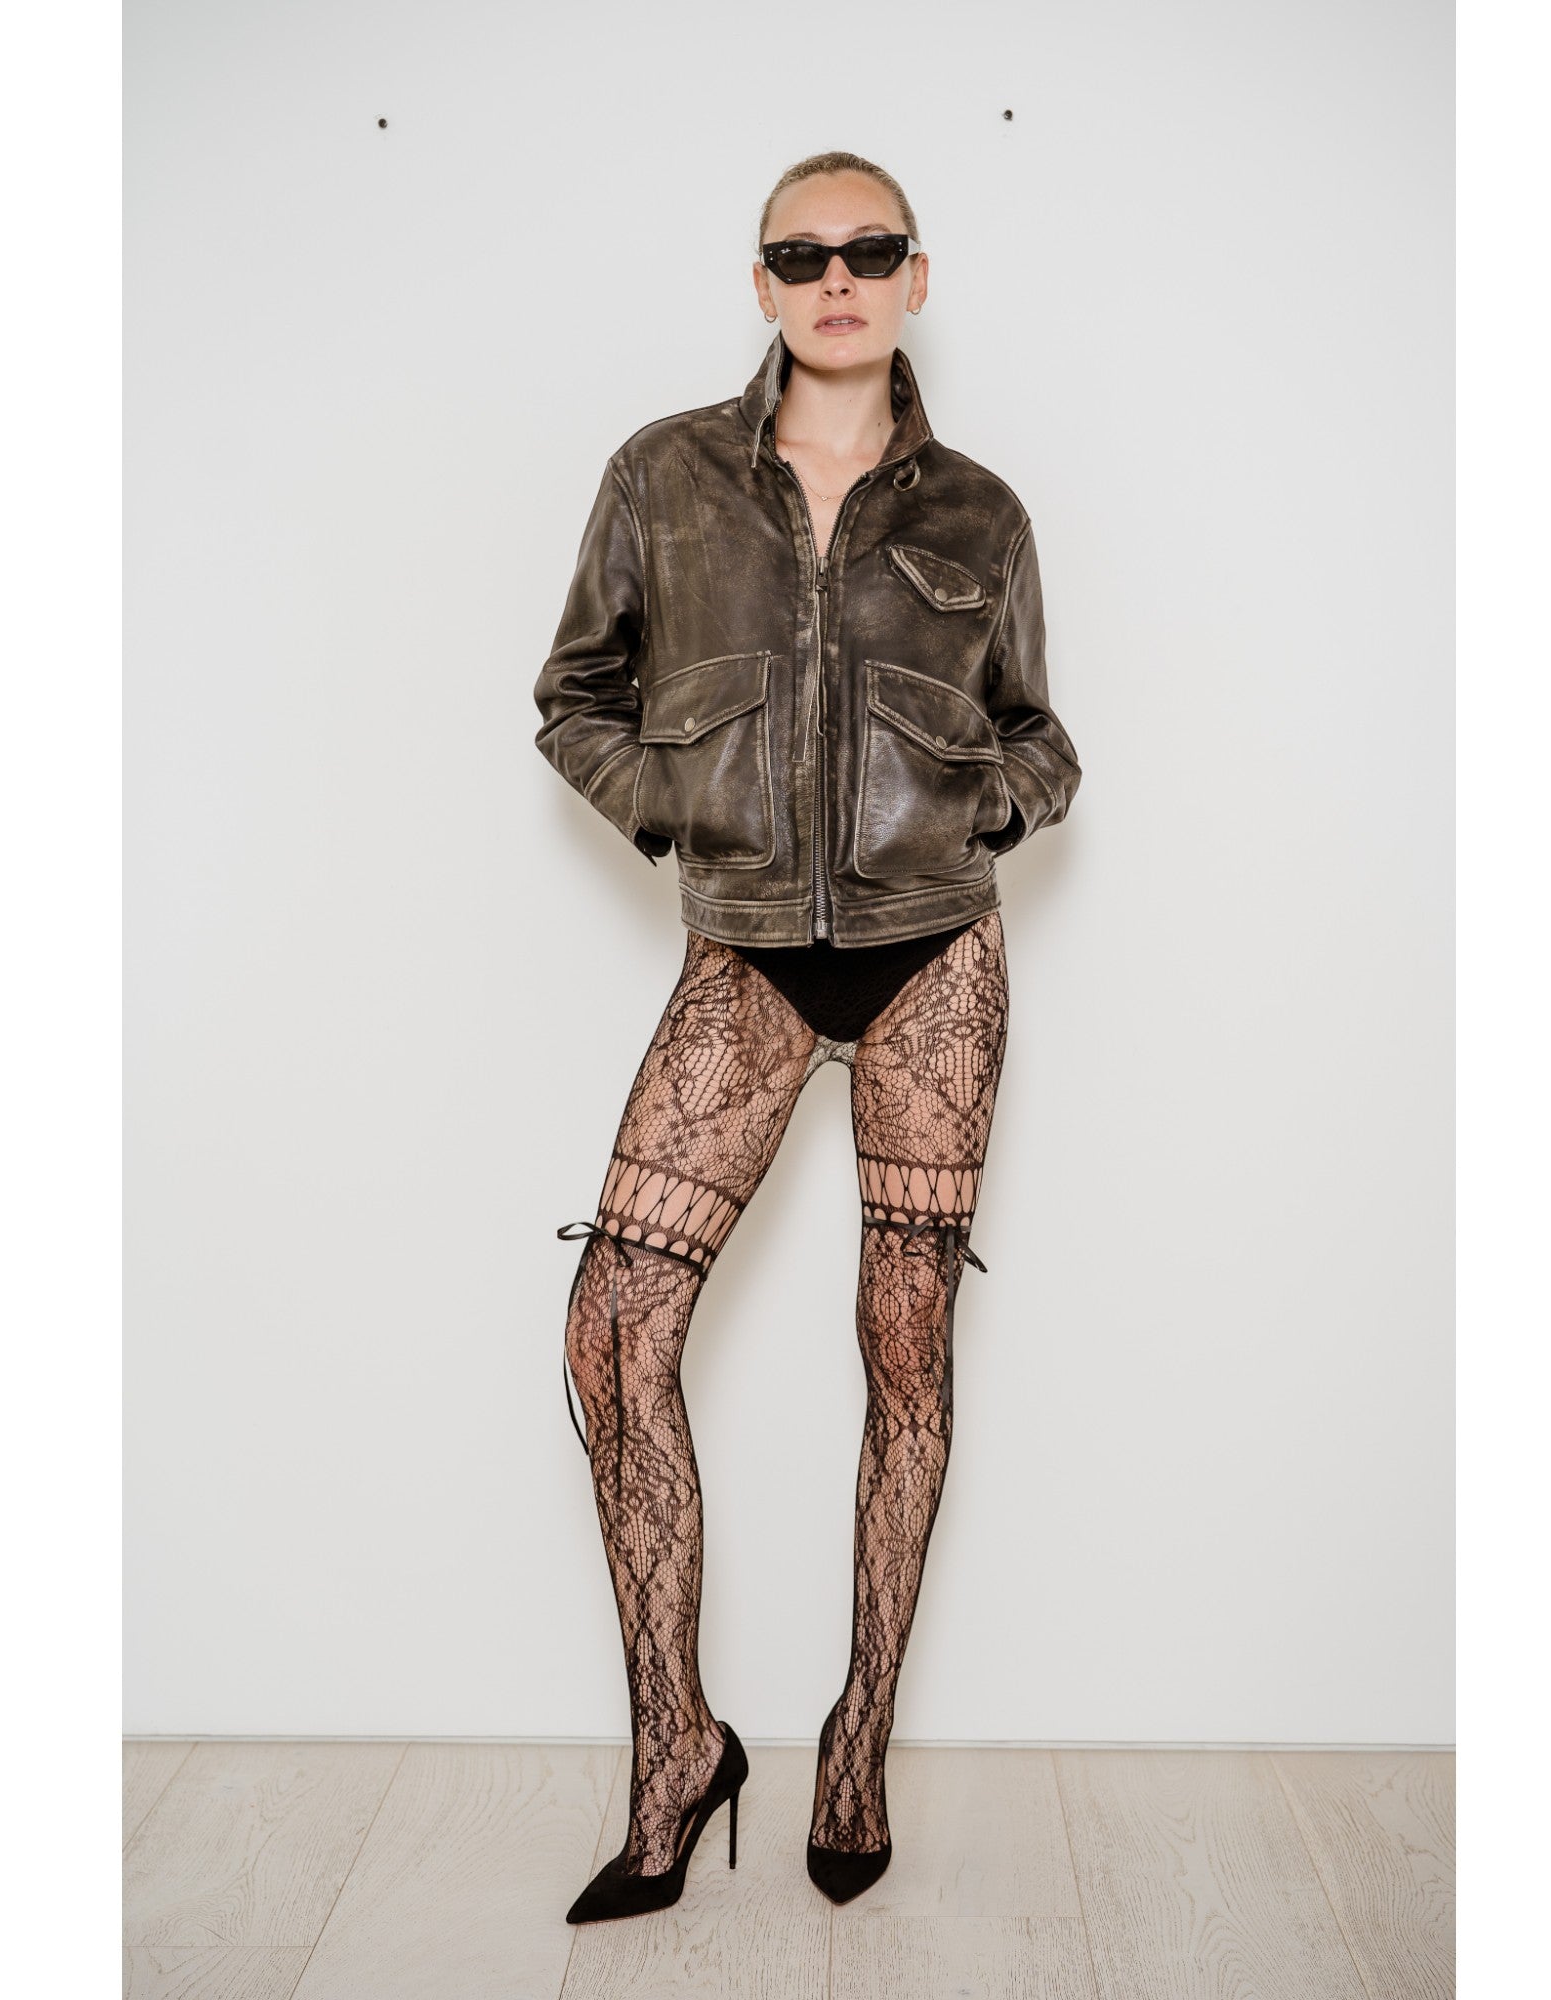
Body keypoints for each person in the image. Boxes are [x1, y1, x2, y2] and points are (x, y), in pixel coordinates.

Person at [532, 150, 1082, 1923]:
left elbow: (1043, 736)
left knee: (904, 1349)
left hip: (937, 962)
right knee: (614, 1334)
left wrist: (982, 811)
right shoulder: (664, 476)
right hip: (749, 955)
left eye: (868, 248)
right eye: (799, 253)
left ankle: (857, 1748)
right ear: (761, 284)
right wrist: (675, 806)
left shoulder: (983, 512)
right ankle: (675, 1750)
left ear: (916, 276)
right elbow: (574, 694)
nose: (834, 276)